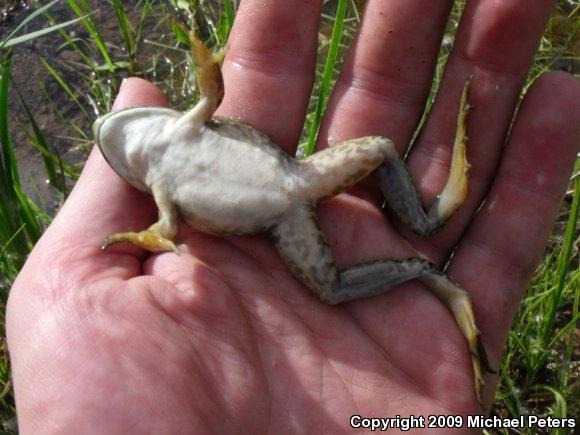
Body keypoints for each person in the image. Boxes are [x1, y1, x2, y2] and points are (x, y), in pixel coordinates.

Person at [7, 0, 580, 432]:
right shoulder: (160, 179)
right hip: (285, 220)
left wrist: (208, 66)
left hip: (300, 179)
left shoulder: (183, 128)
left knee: (381, 148)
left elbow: (210, 97)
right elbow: (166, 231)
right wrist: (147, 233)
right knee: (329, 289)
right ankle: (424, 271)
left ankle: (432, 226)